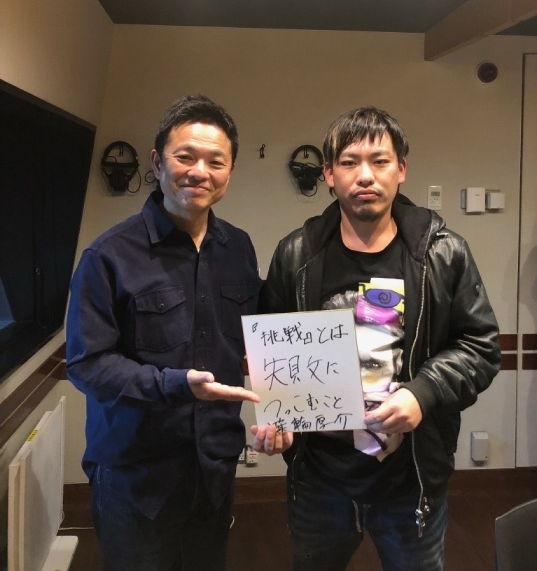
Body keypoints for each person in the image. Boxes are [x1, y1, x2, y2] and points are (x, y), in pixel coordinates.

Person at [251, 105, 501, 571]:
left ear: (401, 169)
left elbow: (481, 347)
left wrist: (423, 393)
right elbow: (275, 357)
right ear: (329, 174)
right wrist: (278, 421)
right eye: (349, 162)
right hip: (319, 479)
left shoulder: (442, 252)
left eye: (380, 161)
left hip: (411, 477)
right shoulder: (295, 255)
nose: (365, 175)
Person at [66, 95, 262, 571]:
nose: (200, 172)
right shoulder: (108, 255)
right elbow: (87, 364)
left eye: (216, 161)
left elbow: (253, 342)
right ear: (157, 162)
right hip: (136, 475)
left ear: (230, 171)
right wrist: (176, 385)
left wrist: (281, 402)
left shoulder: (238, 247)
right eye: (185, 157)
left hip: (214, 466)